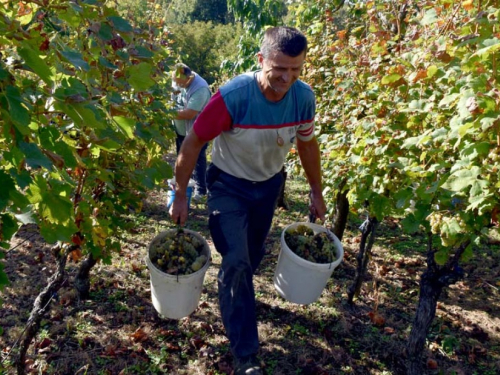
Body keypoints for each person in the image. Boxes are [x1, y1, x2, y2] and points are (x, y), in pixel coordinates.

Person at [169, 27, 327, 375]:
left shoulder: (303, 98)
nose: (287, 77)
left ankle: (232, 295)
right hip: (228, 187)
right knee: (238, 260)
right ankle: (246, 356)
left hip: (267, 187)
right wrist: (181, 194)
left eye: (296, 69)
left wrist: (316, 190)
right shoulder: (232, 97)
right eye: (279, 68)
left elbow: (306, 145)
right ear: (261, 60)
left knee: (251, 258)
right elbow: (193, 142)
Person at [171, 63, 211, 198]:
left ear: (188, 78)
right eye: (176, 82)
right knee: (181, 157)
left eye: (180, 83)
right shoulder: (178, 80)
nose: (177, 85)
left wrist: (167, 113)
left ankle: (200, 189)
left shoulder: (201, 89)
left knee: (197, 158)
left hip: (198, 131)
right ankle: (183, 186)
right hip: (181, 130)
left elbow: (189, 114)